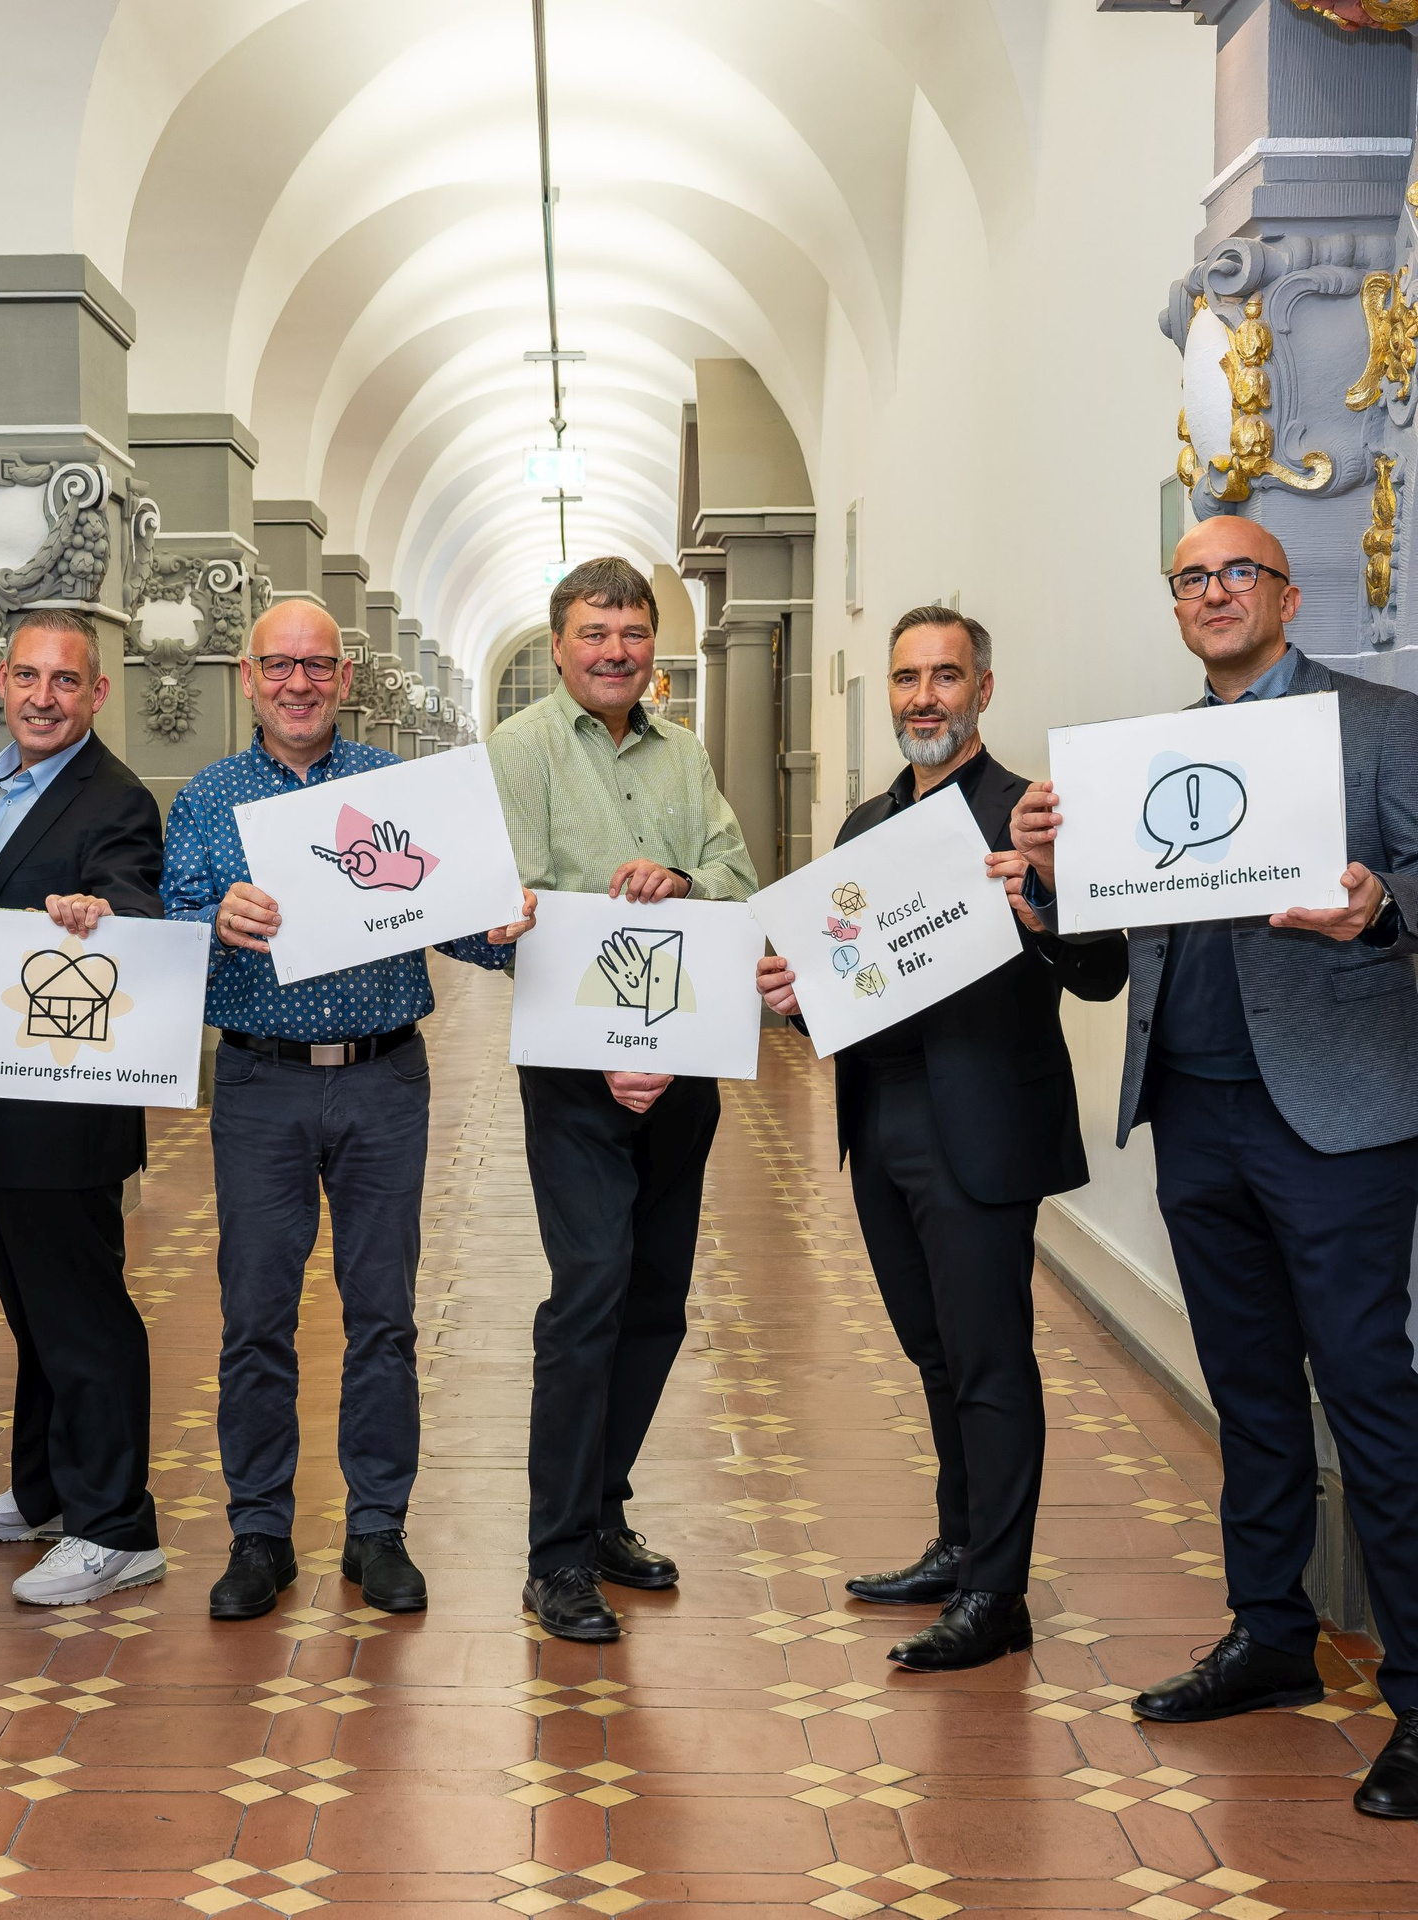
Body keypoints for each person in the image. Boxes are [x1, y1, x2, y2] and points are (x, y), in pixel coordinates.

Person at [1011, 516, 1418, 1820]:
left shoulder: (1377, 725)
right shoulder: (1150, 757)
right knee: (1247, 1393)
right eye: (1192, 579)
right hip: (1194, 1115)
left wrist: (1386, 905)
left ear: (1288, 597)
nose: (1214, 592)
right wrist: (1052, 873)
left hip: (1337, 1118)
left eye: (1238, 571)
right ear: (1178, 609)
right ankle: (1270, 1634)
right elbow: (1111, 946)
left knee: (1371, 1398)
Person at [755, 606, 1127, 1671]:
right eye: (907, 677)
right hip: (879, 1117)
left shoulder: (1031, 814)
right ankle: (960, 1543)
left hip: (982, 1126)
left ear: (984, 689)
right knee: (931, 1349)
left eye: (946, 676)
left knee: (989, 1358)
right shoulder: (864, 827)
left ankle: (997, 1596)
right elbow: (842, 983)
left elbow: (1102, 973)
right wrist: (793, 999)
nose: (925, 695)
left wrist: (1044, 895)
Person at [163, 600, 535, 1620]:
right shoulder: (208, 798)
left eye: (317, 665)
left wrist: (502, 928)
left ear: (344, 675)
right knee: (256, 1320)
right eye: (279, 665)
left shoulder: (391, 790)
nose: (298, 683)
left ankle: (378, 1529)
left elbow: (460, 927)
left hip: (382, 1081)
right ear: (248, 676)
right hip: (258, 1084)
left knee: (383, 1316)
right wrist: (210, 921)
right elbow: (167, 930)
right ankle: (259, 1534)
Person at [488, 556, 757, 1641]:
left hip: (681, 1064)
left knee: (656, 1299)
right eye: (594, 633)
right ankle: (554, 1559)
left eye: (632, 633)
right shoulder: (519, 752)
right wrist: (607, 1042)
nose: (614, 651)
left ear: (653, 644)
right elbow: (511, 910)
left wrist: (684, 881)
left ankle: (604, 1512)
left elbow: (738, 883)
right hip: (573, 1075)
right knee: (590, 1291)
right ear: (558, 646)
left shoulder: (686, 754)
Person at [0, 609, 170, 1608]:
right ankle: (45, 1490)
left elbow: (131, 894)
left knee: (84, 1318)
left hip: (63, 1104)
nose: (43, 697)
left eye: (65, 682)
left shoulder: (111, 798)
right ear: (2, 681)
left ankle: (117, 1527)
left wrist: (100, 910)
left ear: (97, 694)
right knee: (35, 1312)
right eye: (28, 678)